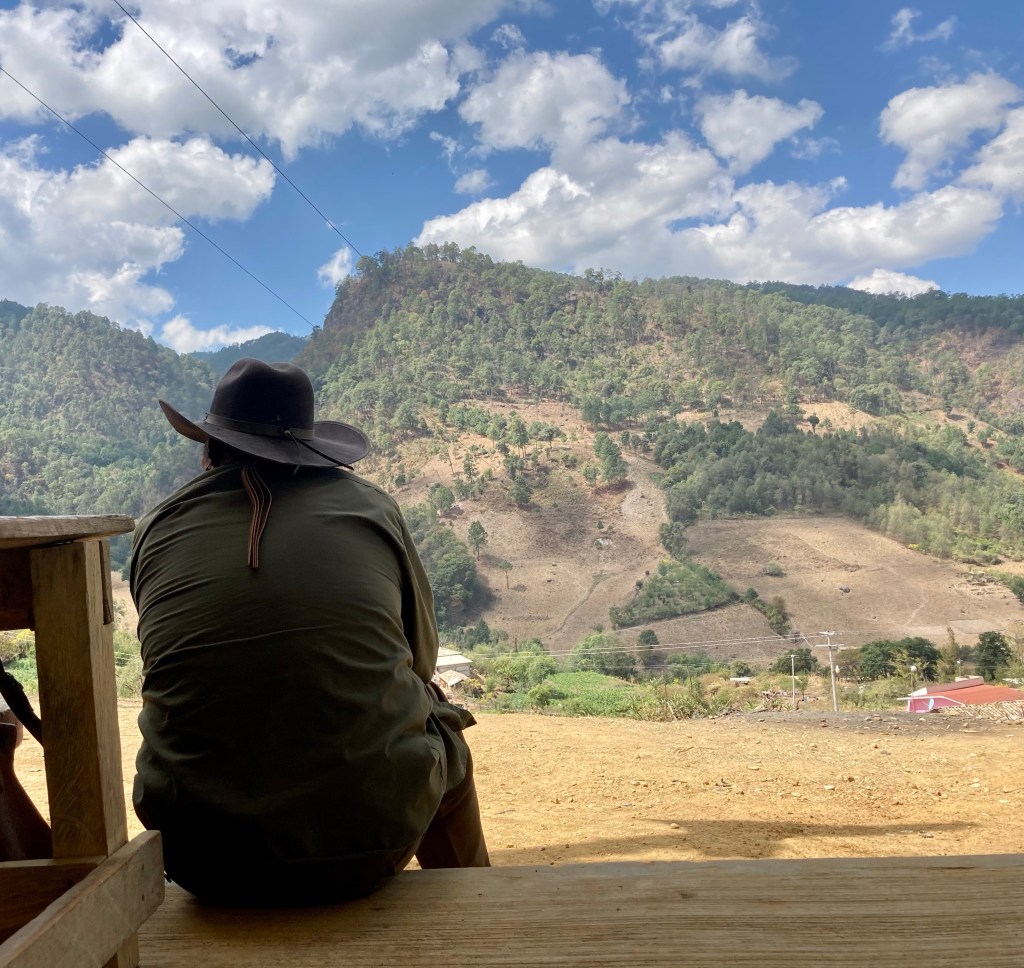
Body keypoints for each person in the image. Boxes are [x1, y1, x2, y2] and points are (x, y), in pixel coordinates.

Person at [130, 358, 489, 905]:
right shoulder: (370, 508)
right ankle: (475, 906)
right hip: (370, 846)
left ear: (209, 449)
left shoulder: (159, 525)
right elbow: (420, 658)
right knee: (441, 724)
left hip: (197, 855)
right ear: (309, 449)